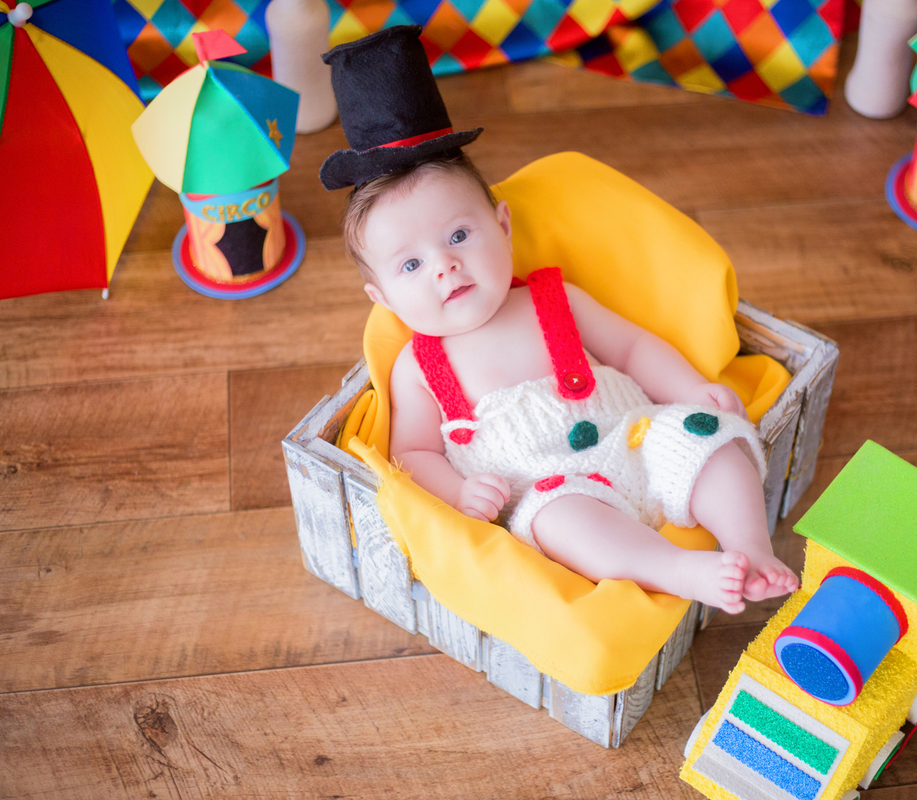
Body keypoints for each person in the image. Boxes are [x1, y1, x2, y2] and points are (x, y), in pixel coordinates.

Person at [320, 27, 798, 614]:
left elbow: (631, 350)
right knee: (562, 524)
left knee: (710, 438)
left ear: (503, 226)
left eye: (460, 235)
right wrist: (461, 491)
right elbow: (413, 455)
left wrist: (691, 391)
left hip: (636, 438)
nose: (445, 266)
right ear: (384, 298)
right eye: (412, 264)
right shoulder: (419, 366)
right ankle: (677, 568)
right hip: (557, 490)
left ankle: (750, 547)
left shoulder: (553, 299)